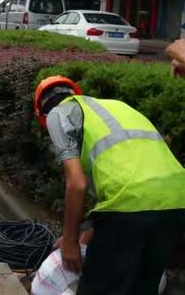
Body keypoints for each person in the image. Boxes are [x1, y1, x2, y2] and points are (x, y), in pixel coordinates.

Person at [34, 76, 185, 295]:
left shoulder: (57, 115)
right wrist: (83, 235)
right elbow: (124, 185)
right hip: (176, 201)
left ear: (42, 114)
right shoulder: (116, 107)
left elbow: (77, 184)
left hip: (130, 207)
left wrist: (69, 240)